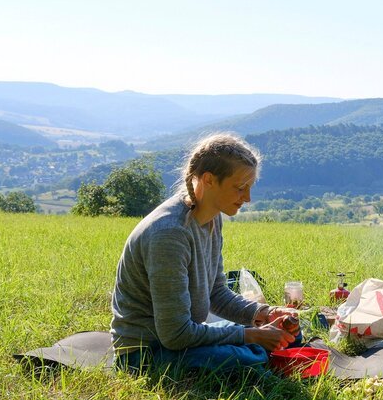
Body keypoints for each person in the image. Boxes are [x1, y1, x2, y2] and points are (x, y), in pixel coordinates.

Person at [110, 133, 299, 374]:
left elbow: (216, 293)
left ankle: (263, 352)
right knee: (249, 358)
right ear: (209, 179)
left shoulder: (211, 219)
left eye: (249, 188)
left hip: (185, 339)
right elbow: (175, 334)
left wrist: (263, 313)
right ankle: (261, 356)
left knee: (285, 335)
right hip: (146, 352)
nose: (248, 198)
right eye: (240, 188)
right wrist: (250, 336)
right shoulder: (169, 234)